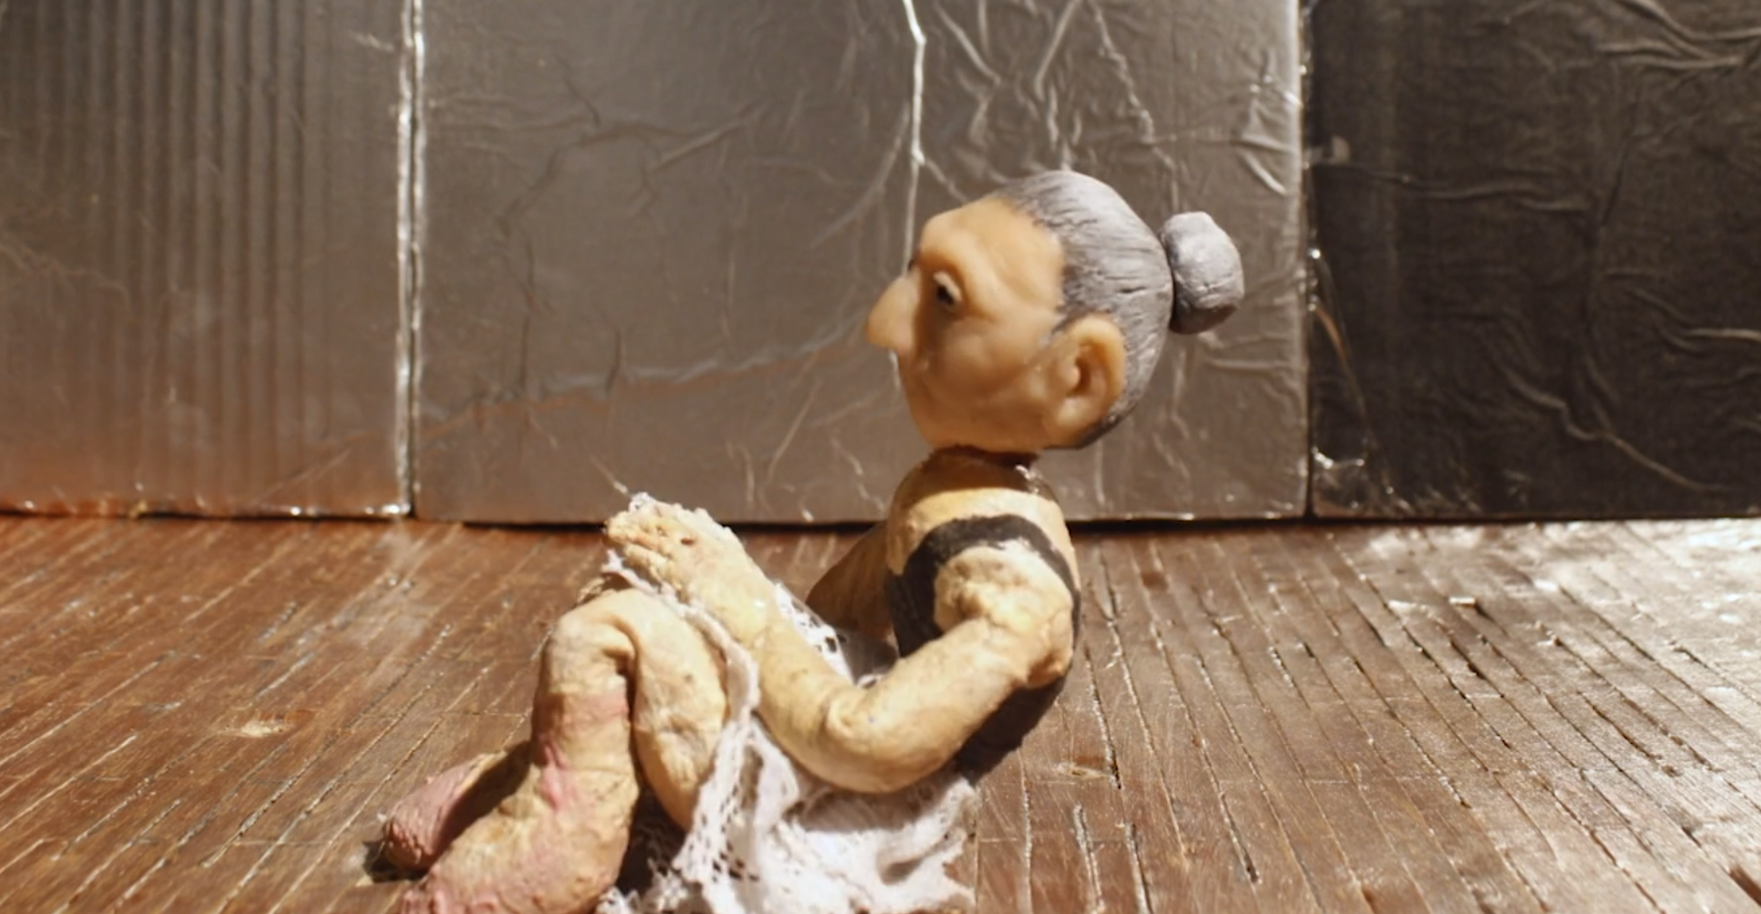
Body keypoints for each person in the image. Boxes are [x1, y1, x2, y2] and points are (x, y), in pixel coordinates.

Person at [378, 171, 1242, 914]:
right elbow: (828, 614)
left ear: (1077, 377)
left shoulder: (1014, 586)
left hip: (864, 805)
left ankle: (557, 837)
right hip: (831, 730)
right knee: (640, 592)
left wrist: (732, 598)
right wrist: (709, 610)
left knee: (610, 634)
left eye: (946, 299)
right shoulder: (950, 490)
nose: (887, 324)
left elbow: (870, 744)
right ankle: (542, 773)